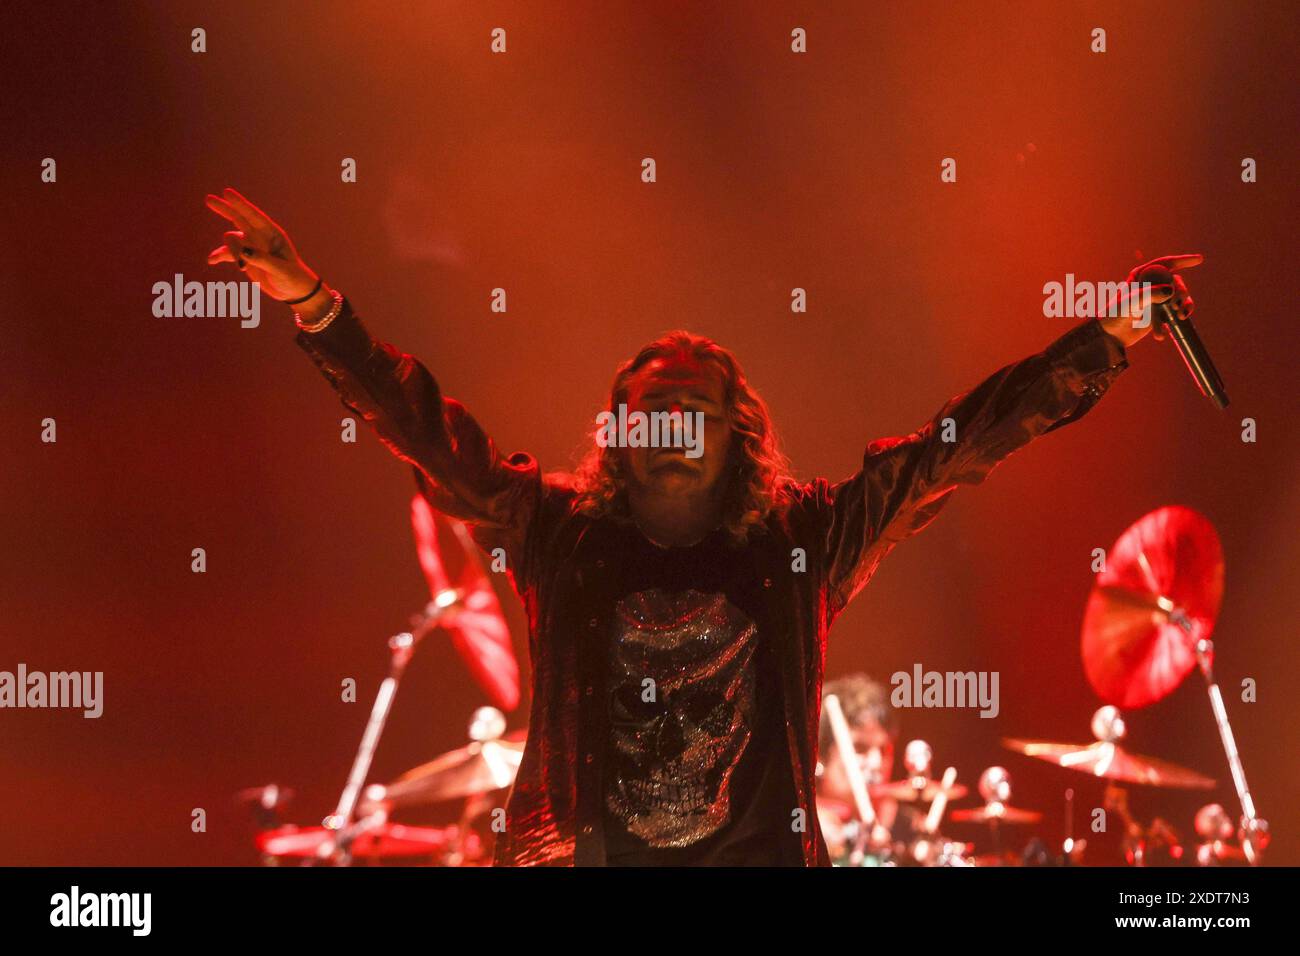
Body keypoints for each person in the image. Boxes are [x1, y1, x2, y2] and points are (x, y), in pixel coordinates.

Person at [205, 187, 1203, 866]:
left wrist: (1102, 336)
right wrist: (313, 301)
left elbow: (958, 447)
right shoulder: (552, 528)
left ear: (738, 429)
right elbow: (422, 427)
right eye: (651, 407)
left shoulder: (802, 538)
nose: (671, 425)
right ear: (619, 424)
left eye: (694, 405)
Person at [815, 673, 905, 862]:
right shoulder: (796, 824)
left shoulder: (905, 825)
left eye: (883, 750)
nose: (877, 763)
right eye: (860, 748)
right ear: (819, 755)